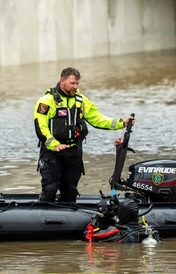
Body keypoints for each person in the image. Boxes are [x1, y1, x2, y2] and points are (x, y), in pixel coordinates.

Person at [33, 67, 134, 203]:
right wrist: (53, 144)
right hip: (52, 152)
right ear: (62, 81)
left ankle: (67, 218)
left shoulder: (81, 101)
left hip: (73, 152)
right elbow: (41, 126)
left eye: (77, 83)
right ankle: (43, 214)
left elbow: (98, 119)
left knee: (70, 190)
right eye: (72, 83)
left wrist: (122, 122)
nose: (76, 86)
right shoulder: (46, 101)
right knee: (50, 188)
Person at [85, 198, 159, 244]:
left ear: (122, 214)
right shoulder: (149, 230)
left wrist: (96, 220)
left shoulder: (118, 233)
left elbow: (88, 236)